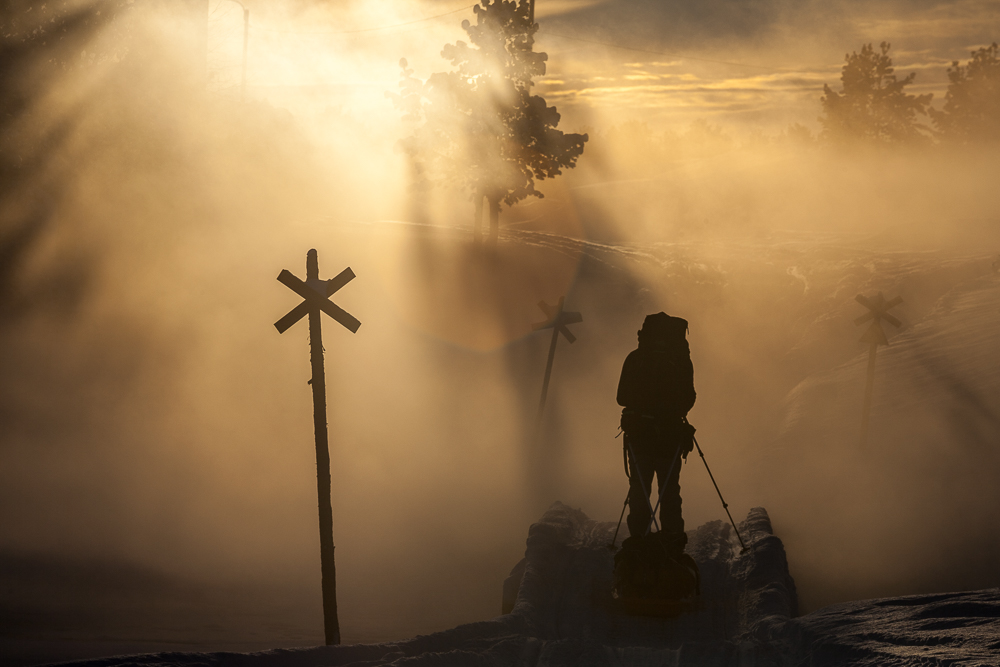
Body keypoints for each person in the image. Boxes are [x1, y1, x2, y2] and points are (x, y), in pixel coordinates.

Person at [617, 312, 695, 555]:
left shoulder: (635, 358)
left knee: (639, 487)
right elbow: (688, 399)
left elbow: (621, 398)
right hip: (670, 435)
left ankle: (639, 539)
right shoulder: (681, 361)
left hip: (639, 434)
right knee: (669, 488)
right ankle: (672, 541)